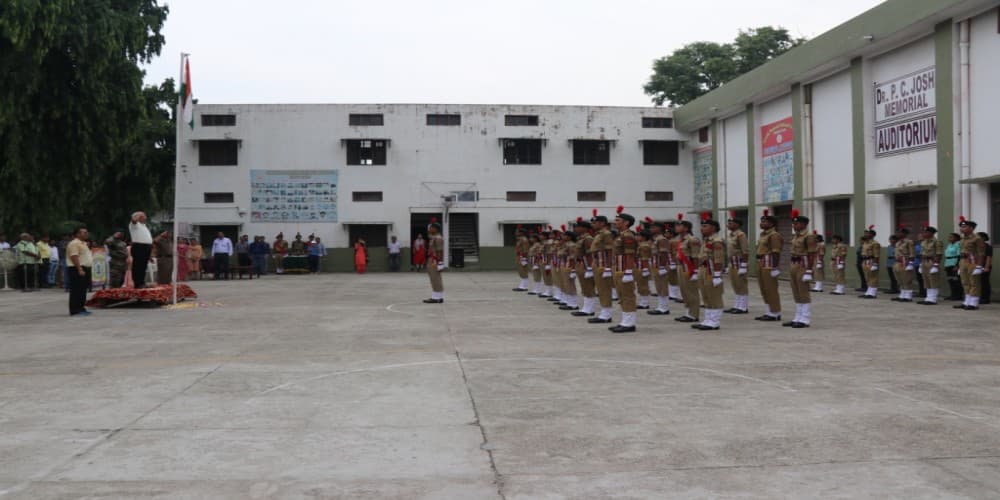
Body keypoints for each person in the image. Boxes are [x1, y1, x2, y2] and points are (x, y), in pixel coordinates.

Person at [691, 213, 726, 331]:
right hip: (704, 269)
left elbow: (718, 259)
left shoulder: (716, 241)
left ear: (713, 228)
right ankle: (708, 319)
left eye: (705, 226)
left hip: (711, 270)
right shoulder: (706, 240)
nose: (702, 228)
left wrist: (717, 275)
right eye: (702, 226)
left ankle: (714, 321)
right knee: (706, 295)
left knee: (714, 296)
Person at [607, 206, 639, 333]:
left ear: (626, 223)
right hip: (619, 268)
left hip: (625, 268)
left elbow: (630, 254)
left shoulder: (628, 236)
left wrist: (629, 272)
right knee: (622, 295)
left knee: (628, 296)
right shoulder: (621, 235)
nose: (615, 222)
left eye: (618, 220)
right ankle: (625, 321)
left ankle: (629, 323)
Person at [785, 209, 817, 328]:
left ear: (804, 224)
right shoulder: (796, 236)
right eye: (793, 224)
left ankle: (805, 318)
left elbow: (811, 254)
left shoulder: (809, 236)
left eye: (796, 224)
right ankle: (797, 317)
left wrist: (809, 270)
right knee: (796, 291)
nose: (794, 226)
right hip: (794, 264)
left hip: (803, 265)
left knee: (803, 291)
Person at [587, 211, 615, 324]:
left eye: (595, 223)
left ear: (602, 223)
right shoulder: (599, 234)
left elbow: (609, 251)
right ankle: (604, 313)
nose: (592, 225)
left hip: (603, 265)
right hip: (597, 264)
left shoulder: (606, 234)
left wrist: (608, 267)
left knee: (604, 290)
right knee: (600, 289)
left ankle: (606, 315)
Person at [754, 210, 783, 321]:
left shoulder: (774, 235)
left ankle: (775, 312)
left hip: (769, 263)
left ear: (772, 224)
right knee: (764, 289)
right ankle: (768, 311)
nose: (761, 223)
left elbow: (776, 252)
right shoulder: (762, 234)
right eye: (761, 221)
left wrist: (775, 267)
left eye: (764, 222)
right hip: (761, 262)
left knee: (771, 289)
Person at [674, 214, 702, 324]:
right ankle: (688, 312)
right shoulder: (680, 240)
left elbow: (695, 256)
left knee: (691, 291)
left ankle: (694, 314)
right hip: (681, 267)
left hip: (689, 268)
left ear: (686, 228)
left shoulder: (692, 240)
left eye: (679, 226)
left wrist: (695, 271)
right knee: (684, 291)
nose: (676, 227)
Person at [954, 217, 987, 310]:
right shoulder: (962, 239)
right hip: (963, 261)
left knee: (974, 282)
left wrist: (979, 266)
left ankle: (974, 303)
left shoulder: (977, 238)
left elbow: (981, 253)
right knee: (965, 282)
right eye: (961, 227)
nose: (961, 229)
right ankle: (967, 301)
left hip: (973, 262)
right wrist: (959, 266)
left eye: (964, 227)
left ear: (971, 228)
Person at [724, 212, 750, 314]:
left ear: (737, 225)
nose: (729, 225)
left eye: (731, 223)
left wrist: (744, 265)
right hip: (732, 262)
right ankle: (737, 305)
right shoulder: (731, 235)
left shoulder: (741, 235)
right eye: (729, 223)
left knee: (741, 284)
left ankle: (743, 307)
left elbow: (745, 251)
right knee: (735, 284)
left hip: (739, 262)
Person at [573, 218, 598, 317]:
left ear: (584, 228)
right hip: (581, 264)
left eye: (578, 227)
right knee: (584, 287)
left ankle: (589, 309)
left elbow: (590, 254)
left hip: (586, 265)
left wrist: (589, 268)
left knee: (588, 287)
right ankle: (586, 308)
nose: (576, 229)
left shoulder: (588, 239)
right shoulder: (581, 238)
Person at [66, 227, 93, 316]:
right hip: (77, 268)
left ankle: (81, 308)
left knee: (82, 290)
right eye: (84, 232)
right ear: (77, 234)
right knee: (76, 290)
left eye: (86, 232)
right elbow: (74, 256)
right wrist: (79, 268)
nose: (86, 234)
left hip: (85, 268)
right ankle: (75, 310)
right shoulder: (74, 243)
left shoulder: (84, 243)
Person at [647, 220, 671, 316]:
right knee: (659, 287)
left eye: (653, 227)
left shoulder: (661, 239)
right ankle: (661, 306)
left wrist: (662, 267)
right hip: (656, 265)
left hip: (661, 266)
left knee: (662, 287)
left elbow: (663, 253)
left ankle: (664, 308)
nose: (651, 229)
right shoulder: (656, 239)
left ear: (659, 228)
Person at [916, 225, 944, 305]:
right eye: (924, 232)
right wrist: (921, 264)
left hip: (932, 261)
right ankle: (928, 297)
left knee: (933, 280)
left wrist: (936, 265)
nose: (924, 233)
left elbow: (939, 254)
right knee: (926, 280)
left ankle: (933, 299)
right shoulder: (923, 242)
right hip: (924, 261)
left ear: (931, 233)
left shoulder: (937, 241)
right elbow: (922, 253)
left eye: (926, 232)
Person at [891, 227, 917, 303]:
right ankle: (902, 295)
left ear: (904, 233)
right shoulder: (898, 243)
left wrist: (911, 264)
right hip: (897, 262)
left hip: (905, 262)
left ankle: (908, 296)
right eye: (897, 232)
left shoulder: (909, 242)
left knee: (907, 279)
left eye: (899, 232)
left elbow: (912, 253)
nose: (897, 234)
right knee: (900, 280)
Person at [128, 211, 153, 288]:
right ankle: (137, 283)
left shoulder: (144, 226)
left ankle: (142, 282)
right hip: (139, 246)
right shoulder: (134, 225)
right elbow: (133, 220)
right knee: (138, 265)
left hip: (146, 247)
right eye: (143, 216)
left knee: (143, 266)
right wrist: (138, 215)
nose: (145, 218)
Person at [423, 219, 445, 303]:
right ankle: (439, 296)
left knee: (435, 278)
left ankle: (436, 298)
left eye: (431, 228)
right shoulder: (435, 237)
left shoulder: (438, 238)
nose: (429, 229)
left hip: (434, 261)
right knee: (434, 278)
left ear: (435, 229)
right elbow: (429, 235)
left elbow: (439, 251)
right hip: (432, 260)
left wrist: (439, 263)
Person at [859, 226, 882, 299]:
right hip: (865, 261)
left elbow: (876, 255)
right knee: (867, 277)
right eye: (865, 234)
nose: (866, 235)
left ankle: (873, 293)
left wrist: (875, 264)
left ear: (872, 235)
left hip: (871, 261)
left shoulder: (875, 243)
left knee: (873, 277)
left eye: (868, 234)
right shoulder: (865, 243)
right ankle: (868, 291)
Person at [944, 232, 963, 301]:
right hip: (948, 264)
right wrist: (945, 265)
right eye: (949, 237)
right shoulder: (949, 245)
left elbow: (959, 255)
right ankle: (953, 294)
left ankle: (958, 295)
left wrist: (957, 265)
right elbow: (947, 255)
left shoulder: (958, 244)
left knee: (956, 280)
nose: (949, 238)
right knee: (950, 280)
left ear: (956, 238)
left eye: (951, 237)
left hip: (954, 264)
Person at [978, 232, 992, 304]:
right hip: (977, 266)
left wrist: (986, 267)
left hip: (984, 266)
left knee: (984, 282)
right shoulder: (977, 246)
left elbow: (989, 257)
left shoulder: (987, 246)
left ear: (983, 238)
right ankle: (979, 297)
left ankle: (985, 298)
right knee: (978, 282)